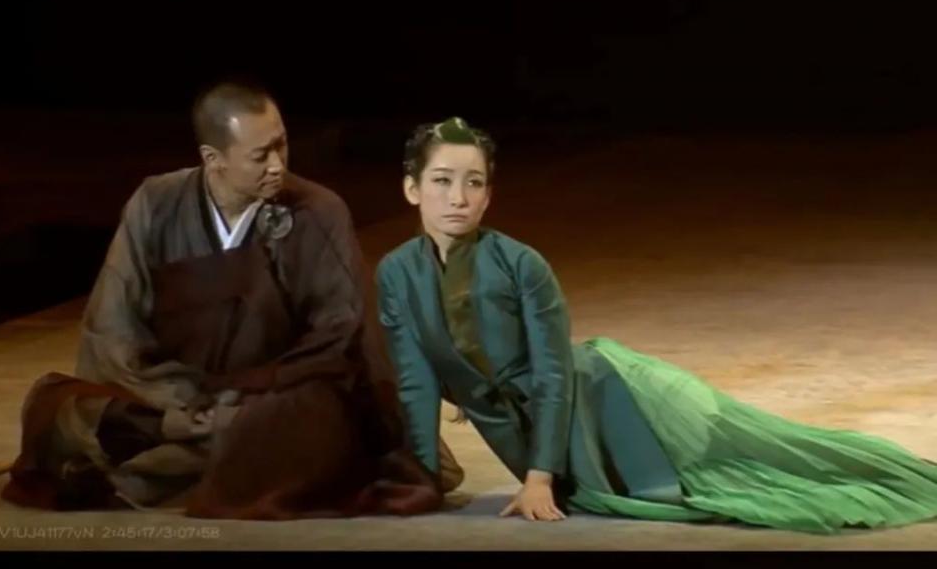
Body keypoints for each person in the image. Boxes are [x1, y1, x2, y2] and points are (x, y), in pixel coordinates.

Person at [375, 116, 937, 532]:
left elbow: (553, 372)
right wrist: (422, 482)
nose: (458, 197)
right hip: (530, 430)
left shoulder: (521, 263)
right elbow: (417, 381)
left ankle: (908, 475)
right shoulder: (397, 273)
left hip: (608, 398)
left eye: (474, 182)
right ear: (411, 188)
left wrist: (540, 477)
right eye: (442, 180)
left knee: (765, 461)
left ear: (489, 195)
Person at [6, 82, 439, 519]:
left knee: (305, 423)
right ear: (213, 158)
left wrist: (240, 399)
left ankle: (153, 466)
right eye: (260, 155)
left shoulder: (318, 210)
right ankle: (176, 452)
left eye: (282, 145)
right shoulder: (155, 203)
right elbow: (113, 328)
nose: (277, 165)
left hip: (271, 397)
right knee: (58, 408)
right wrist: (174, 405)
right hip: (173, 396)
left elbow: (340, 332)